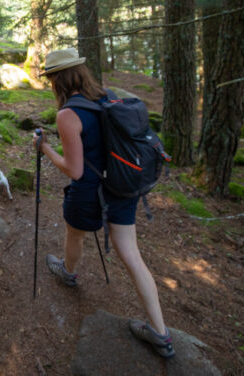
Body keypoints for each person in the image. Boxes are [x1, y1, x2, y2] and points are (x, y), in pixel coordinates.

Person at [33, 48, 175, 358]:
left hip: (89, 190)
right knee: (131, 255)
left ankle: (68, 273)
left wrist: (45, 148)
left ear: (57, 79)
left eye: (51, 79)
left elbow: (75, 169)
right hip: (122, 186)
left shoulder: (68, 114)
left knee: (75, 234)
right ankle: (161, 333)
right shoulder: (107, 97)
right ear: (81, 73)